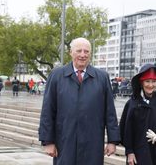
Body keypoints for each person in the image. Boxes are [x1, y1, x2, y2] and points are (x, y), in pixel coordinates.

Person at [39, 37, 120, 165]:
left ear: (90, 54)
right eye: (79, 51)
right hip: (65, 141)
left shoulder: (102, 77)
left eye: (86, 51)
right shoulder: (56, 76)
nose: (83, 55)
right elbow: (48, 111)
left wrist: (112, 141)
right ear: (71, 52)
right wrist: (48, 141)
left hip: (93, 142)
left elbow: (110, 112)